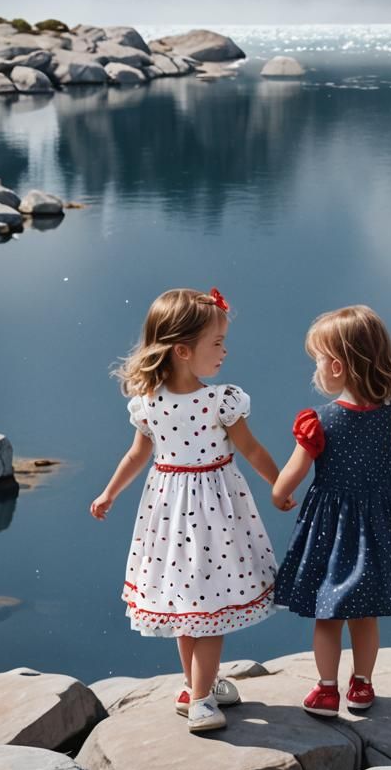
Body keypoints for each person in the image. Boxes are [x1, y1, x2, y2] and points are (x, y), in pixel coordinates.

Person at [90, 287, 279, 733]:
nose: (225, 351)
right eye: (216, 343)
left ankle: (197, 685)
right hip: (209, 512)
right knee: (207, 607)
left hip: (171, 512)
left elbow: (139, 456)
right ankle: (199, 700)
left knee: (187, 605)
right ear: (182, 350)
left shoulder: (173, 401)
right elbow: (248, 449)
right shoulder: (208, 400)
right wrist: (110, 491)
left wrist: (280, 483)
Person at [271, 305, 391, 717]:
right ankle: (361, 685)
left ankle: (327, 689)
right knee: (365, 613)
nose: (316, 371)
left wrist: (279, 494)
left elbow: (296, 469)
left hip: (329, 527)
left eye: (318, 362)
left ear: (338, 367)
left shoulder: (318, 421)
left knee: (327, 614)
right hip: (378, 525)